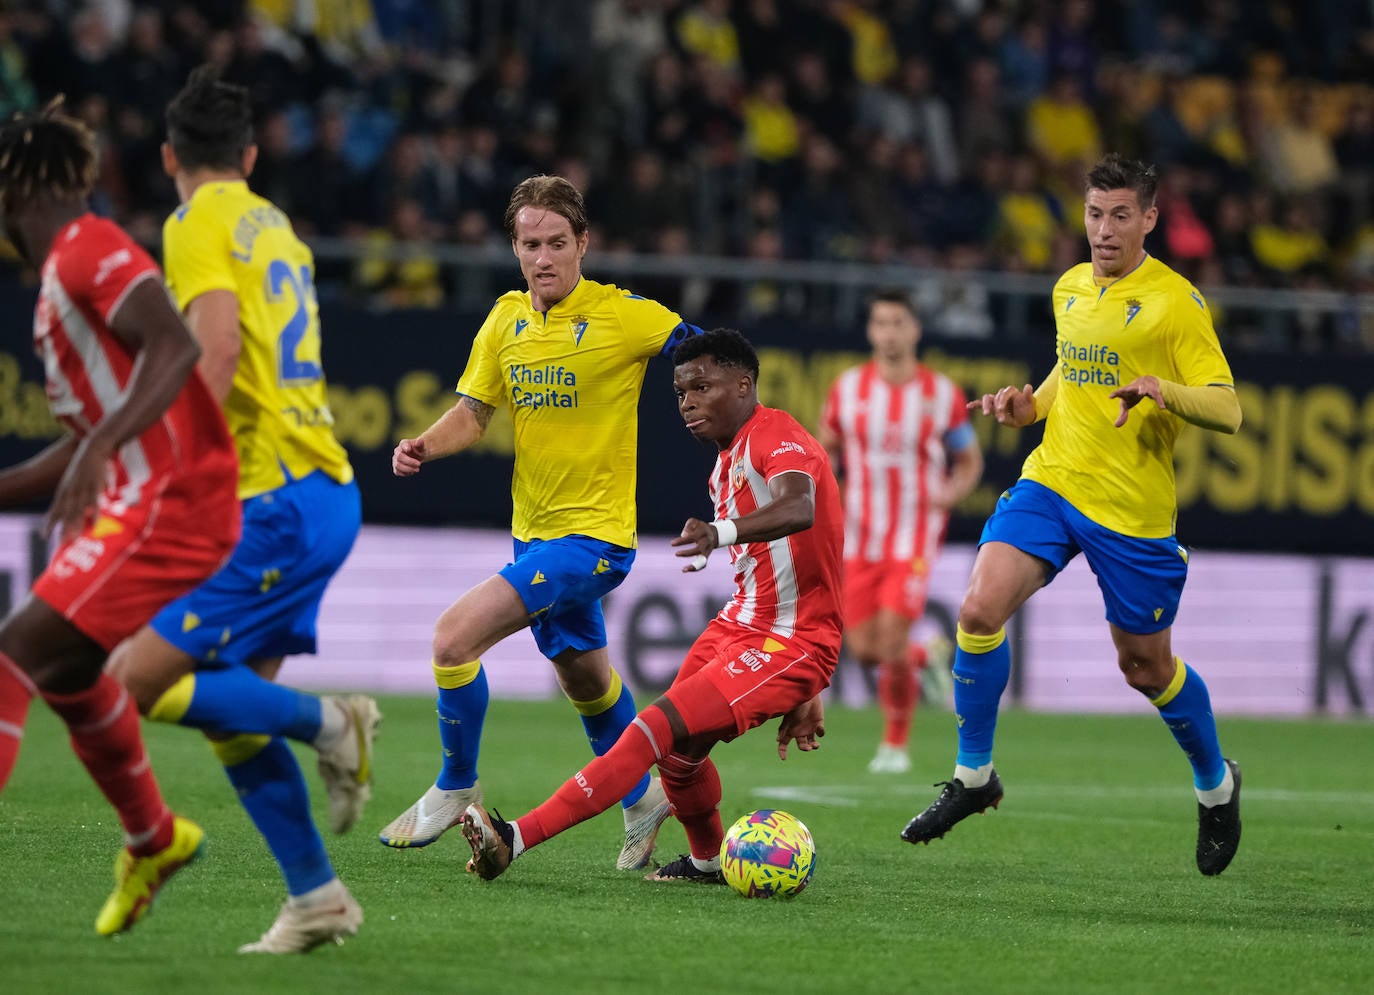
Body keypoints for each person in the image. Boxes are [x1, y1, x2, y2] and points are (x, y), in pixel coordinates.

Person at [899, 154, 1246, 876]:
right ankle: (972, 776)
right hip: (1052, 484)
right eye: (1094, 213)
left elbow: (1229, 407)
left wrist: (1162, 389)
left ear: (1150, 218)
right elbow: (1068, 377)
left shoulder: (1175, 302)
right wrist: (1029, 406)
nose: (1104, 229)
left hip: (1130, 509)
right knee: (977, 607)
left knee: (1145, 667)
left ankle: (1216, 785)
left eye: (1121, 214)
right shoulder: (1069, 287)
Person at [103, 68, 375, 953]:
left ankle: (334, 721)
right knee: (232, 709)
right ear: (251, 156)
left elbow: (215, 351)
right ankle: (316, 897)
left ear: (170, 155)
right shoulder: (275, 224)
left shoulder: (193, 222)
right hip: (322, 490)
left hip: (272, 500)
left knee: (138, 677)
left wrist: (176, 475)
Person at [379, 174, 703, 870]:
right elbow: (474, 412)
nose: (545, 256)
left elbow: (708, 355)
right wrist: (424, 445)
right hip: (535, 532)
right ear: (516, 248)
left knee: (452, 639)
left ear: (583, 242)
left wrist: (727, 421)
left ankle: (455, 781)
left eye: (558, 242)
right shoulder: (505, 320)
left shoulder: (624, 315)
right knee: (584, 678)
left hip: (595, 540)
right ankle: (644, 797)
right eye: (531, 244)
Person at [459, 328, 843, 883]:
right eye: (681, 393)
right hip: (741, 624)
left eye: (703, 387)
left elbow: (799, 506)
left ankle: (514, 838)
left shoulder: (775, 433)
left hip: (790, 640)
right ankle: (709, 863)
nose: (688, 403)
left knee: (650, 729)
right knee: (678, 758)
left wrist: (719, 533)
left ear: (744, 385)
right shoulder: (724, 461)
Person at [0, 99, 241, 934]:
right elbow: (82, 446)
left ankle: (154, 833)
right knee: (64, 672)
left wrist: (104, 444)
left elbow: (175, 346)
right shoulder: (53, 287)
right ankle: (153, 836)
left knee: (14, 651)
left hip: (170, 498)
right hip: (146, 499)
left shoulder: (87, 246)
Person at [818, 289, 983, 775]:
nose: (890, 332)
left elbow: (969, 460)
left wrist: (950, 495)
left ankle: (894, 746)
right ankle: (925, 655)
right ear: (871, 331)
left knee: (889, 639)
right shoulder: (847, 389)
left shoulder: (940, 394)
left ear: (915, 329)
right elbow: (825, 448)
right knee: (866, 649)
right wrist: (834, 490)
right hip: (860, 534)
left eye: (898, 322)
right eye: (881, 323)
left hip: (913, 536)